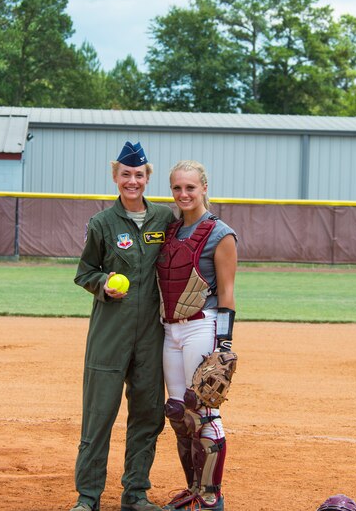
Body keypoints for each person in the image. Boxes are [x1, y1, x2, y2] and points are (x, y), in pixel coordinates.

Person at [70, 141, 176, 511]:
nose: (133, 181)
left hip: (151, 333)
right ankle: (88, 497)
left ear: (147, 178)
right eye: (126, 174)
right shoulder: (102, 223)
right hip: (110, 332)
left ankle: (135, 494)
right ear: (116, 176)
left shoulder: (166, 220)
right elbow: (85, 272)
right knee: (99, 414)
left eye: (139, 175)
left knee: (148, 413)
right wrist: (103, 285)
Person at [156, 161, 238, 511]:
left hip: (202, 325)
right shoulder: (171, 232)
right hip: (170, 328)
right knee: (178, 412)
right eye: (177, 188)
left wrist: (224, 345)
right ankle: (193, 487)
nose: (184, 194)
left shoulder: (221, 234)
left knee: (202, 411)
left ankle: (210, 495)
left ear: (204, 187)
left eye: (190, 187)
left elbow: (228, 293)